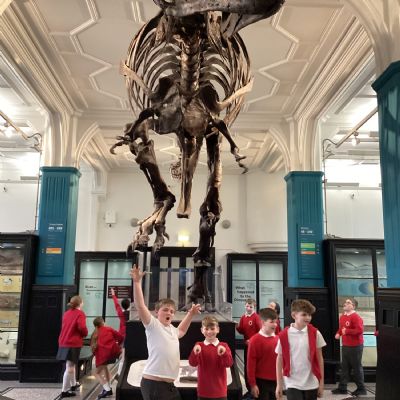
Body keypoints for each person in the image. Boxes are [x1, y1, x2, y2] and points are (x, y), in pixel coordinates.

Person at [131, 265, 201, 400]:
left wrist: (191, 314)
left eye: (172, 311)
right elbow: (140, 306)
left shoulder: (172, 330)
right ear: (156, 312)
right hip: (154, 384)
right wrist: (137, 282)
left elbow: (181, 330)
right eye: (165, 310)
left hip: (169, 386)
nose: (169, 313)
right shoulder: (153, 325)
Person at [275, 299, 325, 400]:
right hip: (292, 382)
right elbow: (279, 359)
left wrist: (321, 383)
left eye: (309, 315)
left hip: (312, 382)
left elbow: (320, 359)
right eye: (304, 314)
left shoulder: (316, 333)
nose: (308, 317)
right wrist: (279, 384)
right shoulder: (284, 335)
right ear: (294, 315)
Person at [189, 316, 233, 400]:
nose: (209, 332)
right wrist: (195, 353)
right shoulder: (199, 345)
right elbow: (192, 363)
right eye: (206, 329)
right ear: (202, 330)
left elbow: (229, 364)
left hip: (220, 392)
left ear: (218, 329)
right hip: (203, 392)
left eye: (212, 329)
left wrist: (224, 353)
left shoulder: (224, 345)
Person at [331, 298, 366, 396]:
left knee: (356, 367)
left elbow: (359, 330)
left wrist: (347, 331)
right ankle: (342, 388)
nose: (345, 304)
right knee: (344, 367)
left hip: (355, 346)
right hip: (346, 345)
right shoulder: (342, 316)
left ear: (353, 306)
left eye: (348, 303)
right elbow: (341, 328)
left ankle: (361, 389)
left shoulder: (356, 317)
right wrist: (338, 333)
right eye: (345, 302)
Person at [56, 295, 88, 398]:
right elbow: (82, 327)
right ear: (80, 303)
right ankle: (64, 390)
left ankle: (73, 384)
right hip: (73, 343)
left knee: (70, 364)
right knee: (70, 367)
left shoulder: (66, 313)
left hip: (63, 341)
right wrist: (85, 333)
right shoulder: (80, 314)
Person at [247, 308, 279, 400]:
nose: (275, 324)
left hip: (276, 381)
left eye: (276, 322)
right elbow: (250, 365)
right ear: (263, 322)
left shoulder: (278, 339)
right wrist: (253, 384)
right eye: (272, 322)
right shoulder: (254, 340)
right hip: (261, 382)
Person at [91, 317, 124, 399]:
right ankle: (109, 387)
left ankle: (107, 389)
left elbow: (93, 349)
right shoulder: (108, 329)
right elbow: (120, 337)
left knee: (96, 373)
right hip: (113, 352)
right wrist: (118, 345)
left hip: (103, 355)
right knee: (105, 368)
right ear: (103, 322)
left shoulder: (94, 334)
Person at [236, 298, 262, 398]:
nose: (248, 308)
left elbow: (260, 332)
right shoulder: (243, 317)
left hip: (255, 347)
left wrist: (252, 340)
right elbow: (242, 330)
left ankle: (255, 390)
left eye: (251, 307)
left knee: (252, 367)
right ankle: (249, 389)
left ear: (254, 307)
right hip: (247, 346)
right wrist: (236, 326)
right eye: (247, 306)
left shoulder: (256, 318)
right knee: (247, 367)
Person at [110, 287, 131, 379]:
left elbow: (116, 304)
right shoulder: (131, 314)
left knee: (123, 354)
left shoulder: (120, 313)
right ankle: (119, 373)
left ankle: (119, 373)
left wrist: (113, 295)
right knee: (124, 355)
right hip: (129, 335)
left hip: (122, 335)